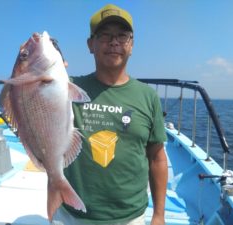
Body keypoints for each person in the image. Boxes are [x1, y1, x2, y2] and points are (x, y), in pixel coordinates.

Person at [54, 4, 168, 225]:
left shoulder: (148, 96)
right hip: (71, 215)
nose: (114, 42)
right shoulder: (67, 88)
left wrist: (159, 215)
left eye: (122, 36)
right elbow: (34, 91)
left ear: (131, 45)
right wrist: (32, 60)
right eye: (105, 35)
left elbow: (157, 158)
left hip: (130, 217)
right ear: (91, 44)